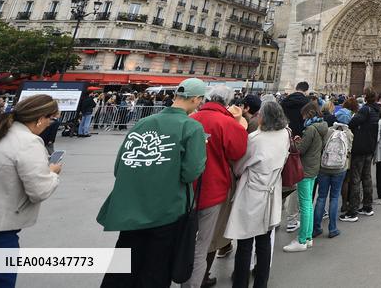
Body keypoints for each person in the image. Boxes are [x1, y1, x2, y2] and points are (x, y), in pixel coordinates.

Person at [98, 78, 207, 288]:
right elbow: (191, 173)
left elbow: (119, 167)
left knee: (123, 268)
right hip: (166, 209)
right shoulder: (192, 127)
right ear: (196, 99)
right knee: (155, 270)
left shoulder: (143, 122)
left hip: (132, 209)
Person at [0, 94, 61, 286]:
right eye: (51, 119)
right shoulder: (29, 142)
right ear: (39, 119)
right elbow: (40, 190)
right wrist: (52, 173)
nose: (51, 124)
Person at [182, 85, 248, 288]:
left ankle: (179, 275)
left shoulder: (189, 120)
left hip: (183, 190)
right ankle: (194, 282)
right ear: (227, 102)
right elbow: (238, 153)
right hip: (214, 189)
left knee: (181, 238)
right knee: (204, 243)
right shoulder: (229, 123)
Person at [224, 101, 290, 288]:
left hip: (253, 194)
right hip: (272, 192)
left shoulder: (255, 139)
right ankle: (261, 283)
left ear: (264, 117)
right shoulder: (285, 134)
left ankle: (240, 284)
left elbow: (239, 167)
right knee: (264, 242)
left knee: (245, 244)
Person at [282, 102, 327, 253]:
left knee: (305, 204)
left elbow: (300, 150)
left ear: (308, 114)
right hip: (314, 167)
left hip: (305, 169)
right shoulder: (322, 127)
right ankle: (308, 237)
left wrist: (295, 142)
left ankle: (301, 240)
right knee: (308, 204)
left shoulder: (310, 129)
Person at [343, 88, 379, 219]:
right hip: (370, 147)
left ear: (365, 97)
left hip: (360, 147)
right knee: (367, 177)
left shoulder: (365, 109)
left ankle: (353, 211)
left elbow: (352, 123)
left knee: (355, 178)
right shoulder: (376, 110)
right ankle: (367, 206)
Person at [313, 122, 353, 238]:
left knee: (321, 197)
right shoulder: (349, 134)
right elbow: (349, 150)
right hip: (340, 168)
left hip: (324, 167)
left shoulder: (328, 131)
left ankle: (316, 228)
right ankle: (332, 228)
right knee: (334, 198)